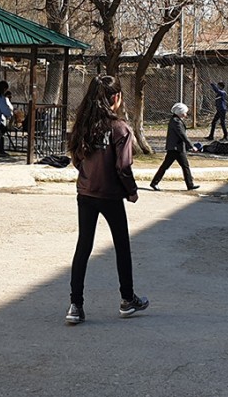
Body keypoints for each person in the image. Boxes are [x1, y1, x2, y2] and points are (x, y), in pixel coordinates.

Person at [65, 75, 148, 325]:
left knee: (84, 246)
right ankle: (127, 299)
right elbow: (123, 166)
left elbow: (76, 158)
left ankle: (75, 306)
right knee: (121, 245)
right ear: (116, 98)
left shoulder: (83, 124)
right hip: (110, 195)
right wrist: (131, 190)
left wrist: (87, 176)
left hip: (86, 193)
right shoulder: (119, 128)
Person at [150, 103, 200, 191]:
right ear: (180, 112)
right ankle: (189, 185)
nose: (186, 114)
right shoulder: (176, 122)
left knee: (176, 166)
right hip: (176, 148)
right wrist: (191, 146)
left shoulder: (176, 120)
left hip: (176, 148)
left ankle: (189, 184)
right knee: (182, 166)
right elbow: (182, 135)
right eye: (184, 112)